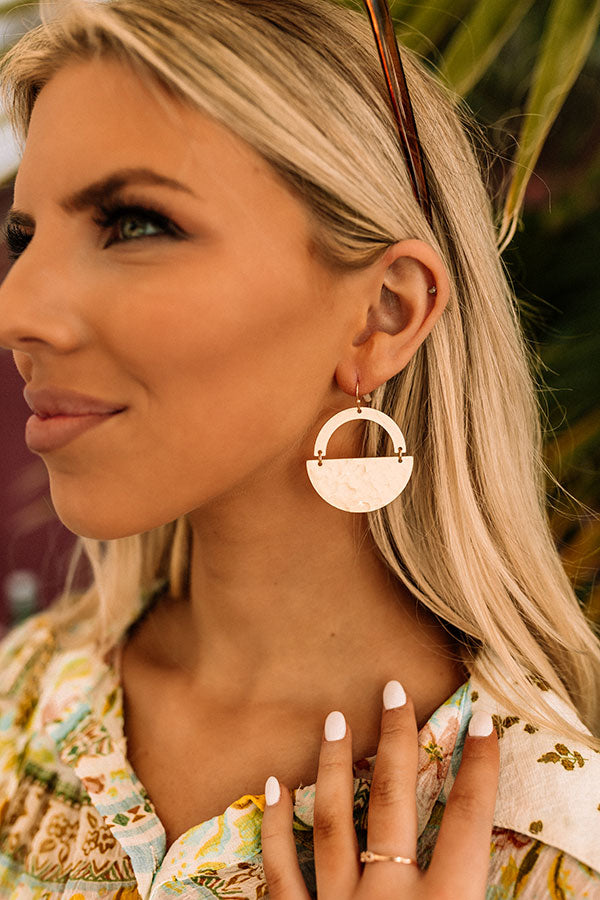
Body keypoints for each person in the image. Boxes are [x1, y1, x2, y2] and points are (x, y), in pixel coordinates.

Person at [0, 0, 598, 897]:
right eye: (23, 239)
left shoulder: (551, 832)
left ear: (382, 313)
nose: (17, 312)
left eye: (135, 224)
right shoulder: (23, 692)